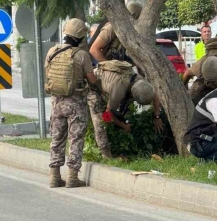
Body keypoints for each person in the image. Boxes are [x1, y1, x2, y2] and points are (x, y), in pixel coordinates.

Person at [45, 18, 97, 188]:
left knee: (57, 138)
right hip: (76, 104)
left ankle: (54, 176)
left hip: (56, 102)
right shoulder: (81, 55)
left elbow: (48, 74)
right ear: (81, 37)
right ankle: (72, 177)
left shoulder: (52, 51)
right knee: (75, 139)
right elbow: (92, 80)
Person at [86, 60, 163, 158]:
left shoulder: (141, 83)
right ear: (132, 94)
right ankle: (105, 155)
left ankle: (121, 151)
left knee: (123, 113)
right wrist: (123, 125)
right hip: (93, 85)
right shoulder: (119, 90)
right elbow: (107, 115)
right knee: (101, 123)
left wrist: (157, 116)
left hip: (110, 85)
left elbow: (155, 96)